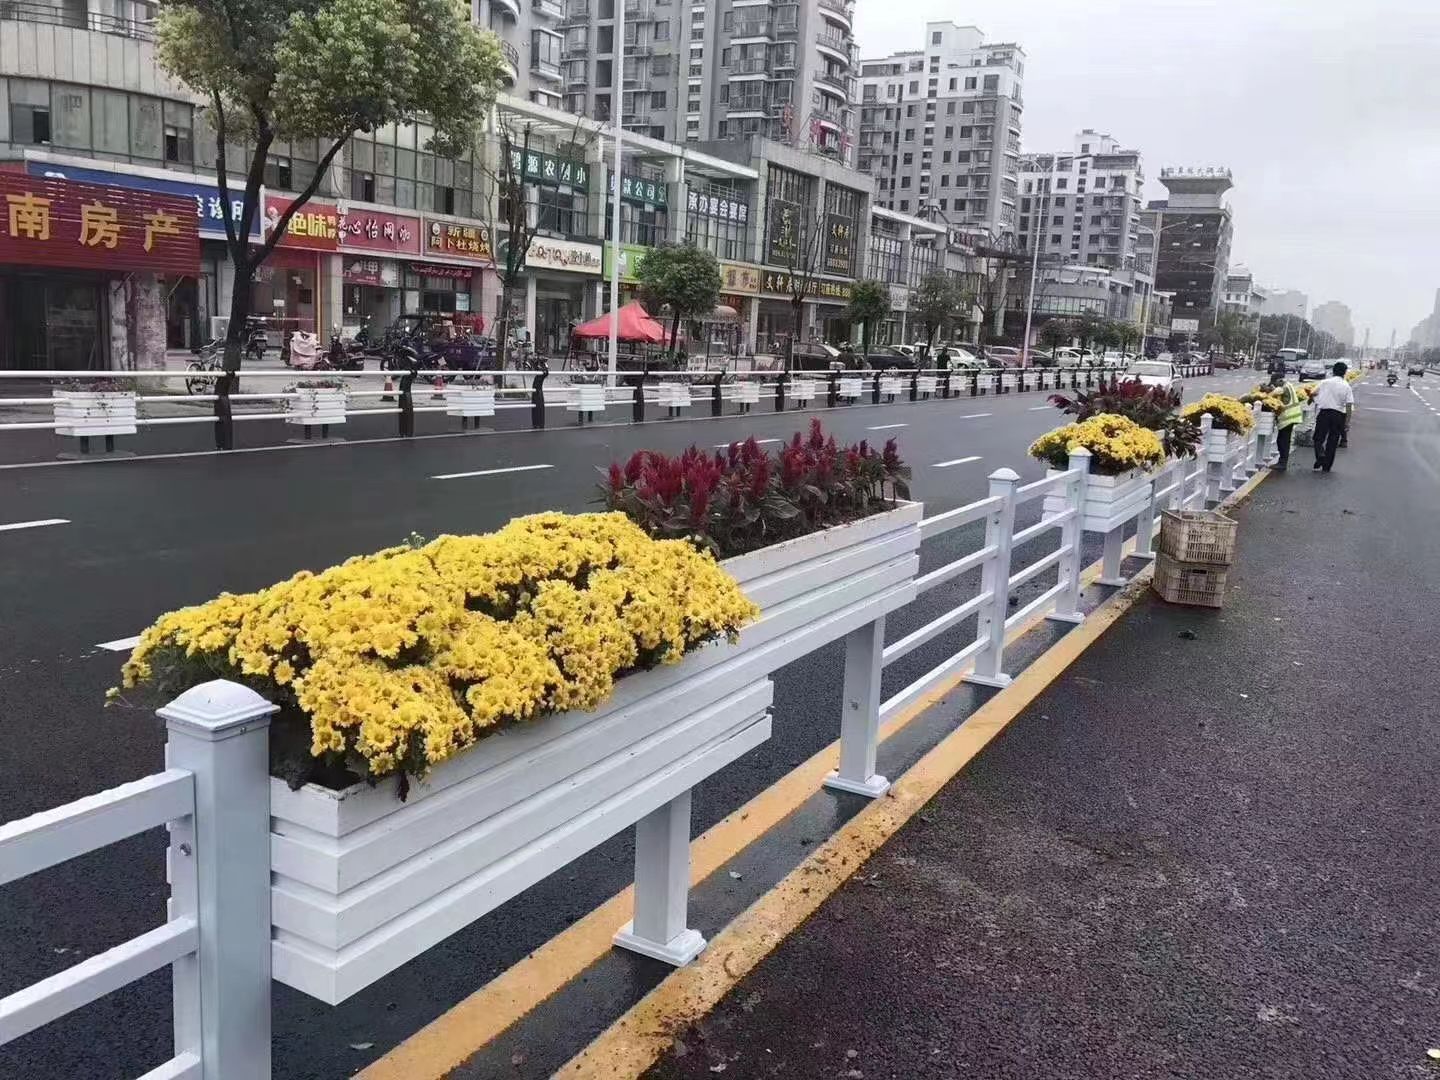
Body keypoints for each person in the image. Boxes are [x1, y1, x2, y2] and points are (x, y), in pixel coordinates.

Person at [1311, 361, 1354, 472]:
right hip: (1338, 415)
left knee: (1318, 438)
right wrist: (1347, 422)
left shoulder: (1324, 382)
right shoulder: (1346, 386)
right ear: (1344, 373)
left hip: (1324, 413)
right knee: (1333, 441)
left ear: (1333, 371)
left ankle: (1320, 454)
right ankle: (1327, 466)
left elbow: (1313, 392)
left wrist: (1314, 399)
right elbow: (1349, 405)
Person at [1269, 372, 1303, 470]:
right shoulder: (1289, 385)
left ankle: (1282, 463)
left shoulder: (1282, 387)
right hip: (1292, 417)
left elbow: (1273, 394)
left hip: (1288, 418)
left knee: (1283, 441)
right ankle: (1282, 461)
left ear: (1279, 380)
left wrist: (1268, 391)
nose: (1275, 385)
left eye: (1275, 383)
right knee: (1283, 440)